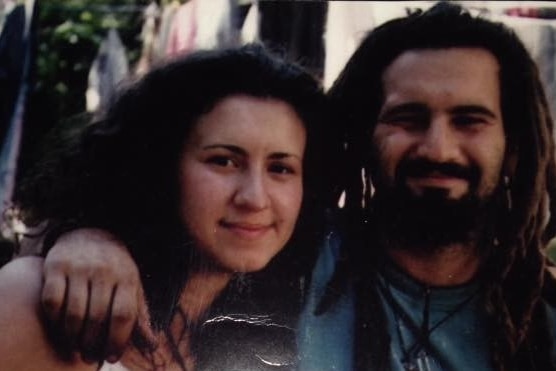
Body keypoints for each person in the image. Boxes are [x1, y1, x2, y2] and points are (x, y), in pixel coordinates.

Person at [0, 44, 333, 370]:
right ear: (161, 165)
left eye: (281, 168)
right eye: (224, 161)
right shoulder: (36, 299)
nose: (255, 198)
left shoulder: (282, 336)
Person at [298, 3, 556, 371]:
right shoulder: (296, 263)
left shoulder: (542, 319)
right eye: (408, 119)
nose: (438, 149)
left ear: (512, 145)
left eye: (469, 121)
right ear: (364, 134)